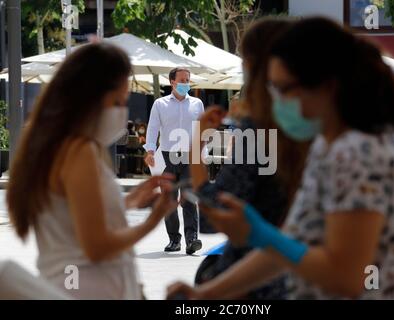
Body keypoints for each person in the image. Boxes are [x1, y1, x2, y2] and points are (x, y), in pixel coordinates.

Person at [168, 17, 394, 300]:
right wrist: (208, 293)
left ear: (326, 85)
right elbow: (289, 246)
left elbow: (346, 276)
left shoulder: (361, 150)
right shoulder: (328, 145)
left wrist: (260, 234)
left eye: (284, 89)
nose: (277, 100)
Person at [6, 43, 178, 299]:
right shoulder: (79, 150)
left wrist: (129, 202)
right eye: (119, 101)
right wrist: (153, 221)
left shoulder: (57, 145)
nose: (123, 111)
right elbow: (96, 247)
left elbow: (73, 217)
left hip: (71, 283)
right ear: (93, 97)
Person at [188, 17, 309, 299]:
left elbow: (214, 215)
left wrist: (198, 142)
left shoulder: (258, 129)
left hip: (251, 285)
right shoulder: (313, 130)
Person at [143, 67, 204, 255]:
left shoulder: (197, 103)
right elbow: (153, 128)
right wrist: (150, 150)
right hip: (168, 156)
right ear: (172, 82)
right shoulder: (160, 104)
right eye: (182, 80)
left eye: (188, 80)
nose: (186, 83)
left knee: (189, 199)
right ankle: (174, 240)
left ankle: (191, 239)